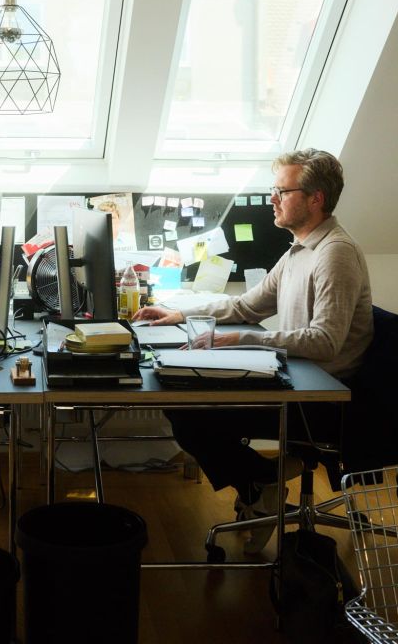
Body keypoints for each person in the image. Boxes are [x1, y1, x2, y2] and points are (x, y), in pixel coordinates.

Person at [133, 148, 373, 551]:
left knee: (190, 412)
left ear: (316, 199)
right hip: (295, 379)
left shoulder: (335, 254)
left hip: (322, 400)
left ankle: (259, 485)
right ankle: (260, 484)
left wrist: (243, 338)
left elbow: (326, 342)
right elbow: (245, 306)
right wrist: (178, 313)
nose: (272, 200)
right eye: (273, 190)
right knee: (178, 399)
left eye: (282, 191)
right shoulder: (299, 249)